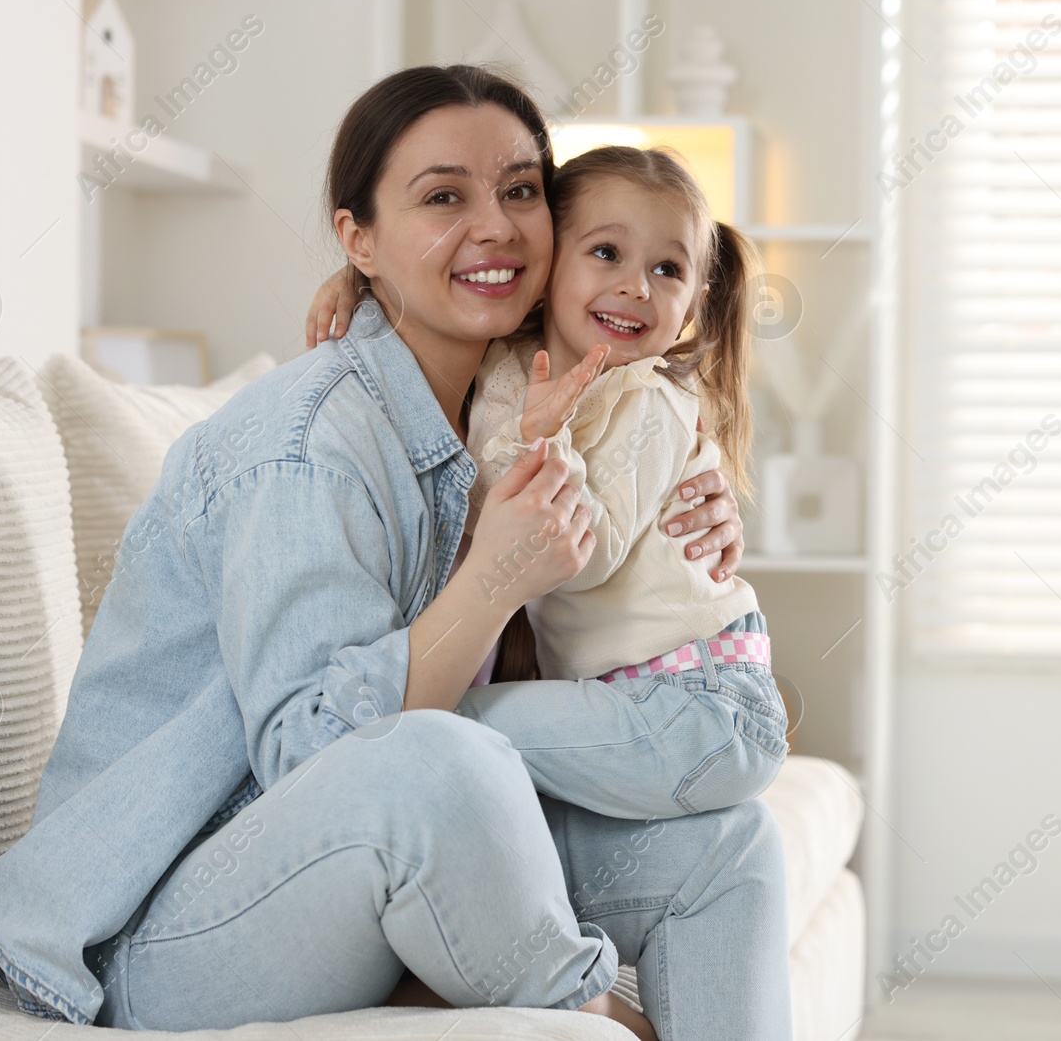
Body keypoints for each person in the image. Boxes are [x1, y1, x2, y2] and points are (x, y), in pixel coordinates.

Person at [0, 64, 792, 1040]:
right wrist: (493, 578)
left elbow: (616, 555)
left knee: (731, 842)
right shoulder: (305, 445)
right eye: (443, 196)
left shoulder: (510, 397)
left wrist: (695, 501)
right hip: (178, 915)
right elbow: (318, 753)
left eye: (518, 192)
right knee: (443, 754)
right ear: (359, 237)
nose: (494, 226)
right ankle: (593, 1009)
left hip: (384, 855)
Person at [306, 144, 788, 823]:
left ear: (692, 307)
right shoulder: (505, 363)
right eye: (605, 253)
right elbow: (424, 304)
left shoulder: (651, 403)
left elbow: (583, 559)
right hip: (640, 697)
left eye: (667, 269)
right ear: (547, 260)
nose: (636, 286)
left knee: (416, 724)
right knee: (431, 729)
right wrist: (358, 284)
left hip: (697, 700)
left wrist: (547, 438)